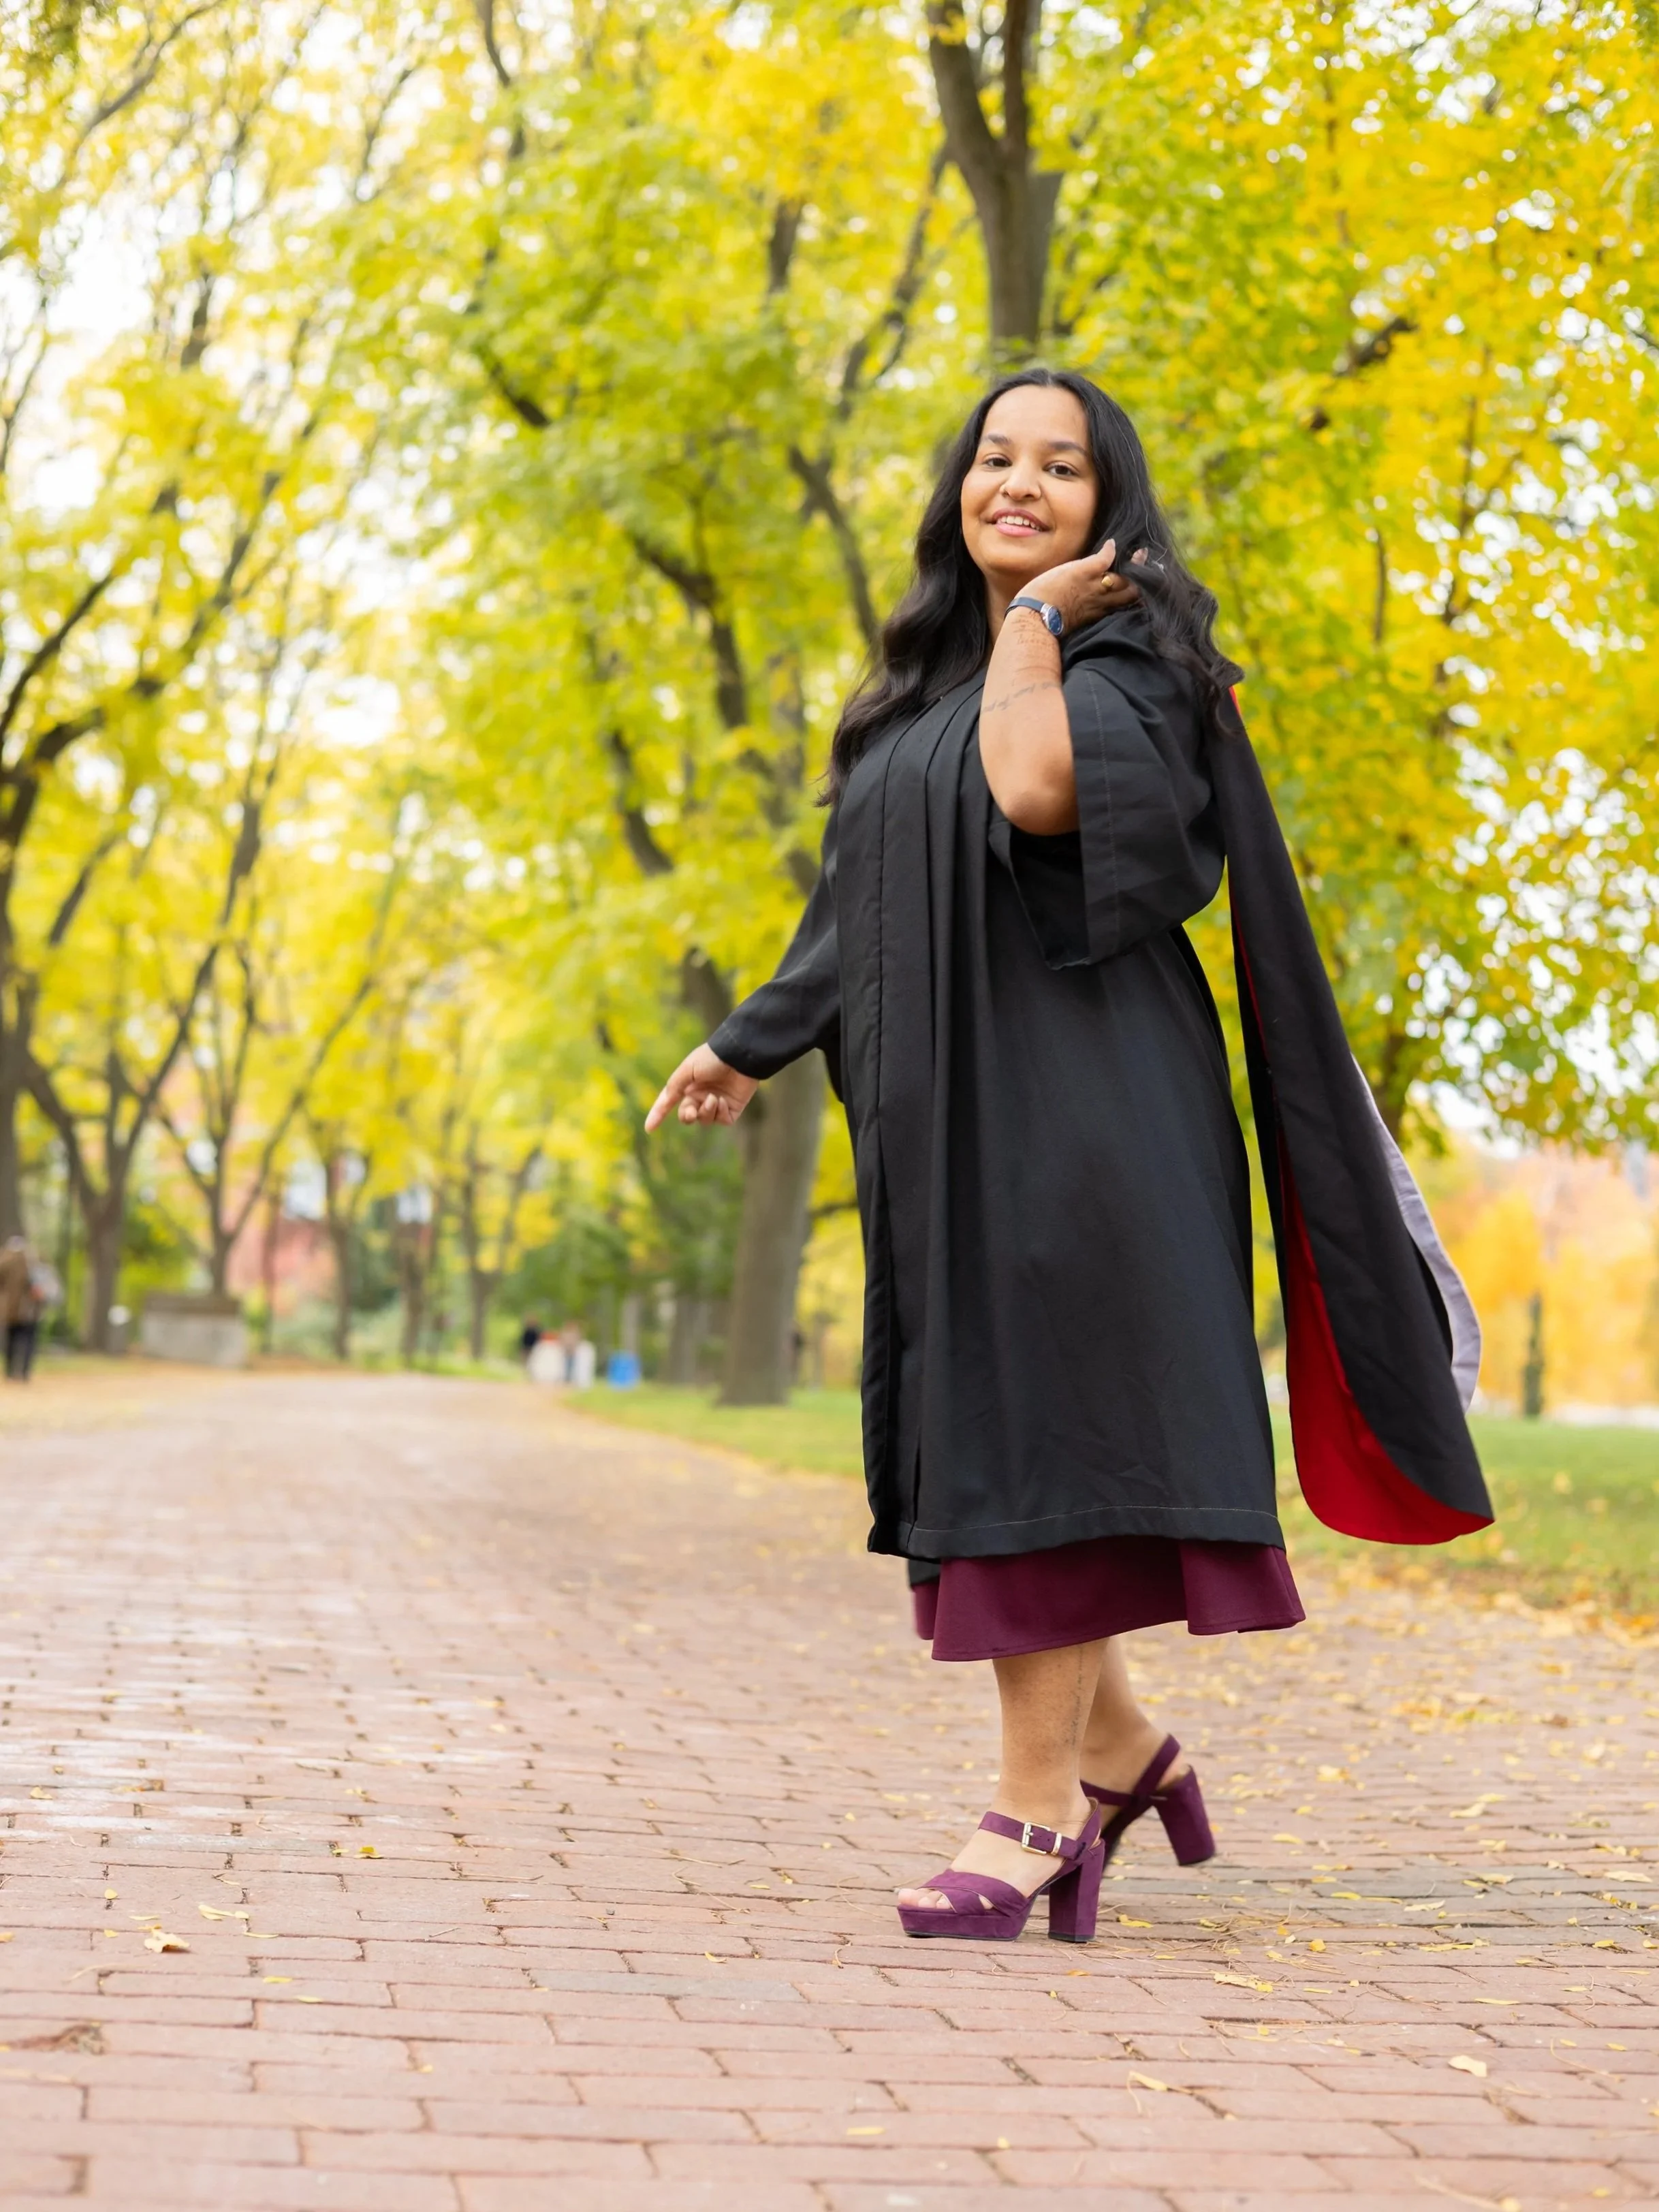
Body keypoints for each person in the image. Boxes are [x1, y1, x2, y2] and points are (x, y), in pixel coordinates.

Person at [647, 370, 1489, 1945]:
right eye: (996, 458)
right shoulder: (905, 695)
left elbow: (1041, 793)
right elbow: (855, 913)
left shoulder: (1131, 658)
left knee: (1034, 1452)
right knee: (997, 1440)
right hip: (950, 1121)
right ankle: (1125, 1756)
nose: (1020, 485)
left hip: (1087, 1125)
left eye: (1063, 467)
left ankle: (1039, 1813)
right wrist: (748, 1041)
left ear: (1110, 508)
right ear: (956, 486)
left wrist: (1038, 626)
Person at [1, 1234, 38, 1382]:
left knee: (11, 1340)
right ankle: (24, 1372)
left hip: (11, 1310)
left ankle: (11, 1372)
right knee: (27, 1341)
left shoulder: (4, 1261)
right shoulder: (32, 1262)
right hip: (26, 1309)